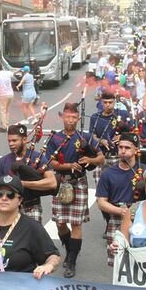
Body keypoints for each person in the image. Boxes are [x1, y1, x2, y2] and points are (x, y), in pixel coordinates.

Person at [47, 103, 105, 278]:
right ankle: (70, 250)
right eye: (67, 116)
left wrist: (90, 159)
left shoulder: (85, 137)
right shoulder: (55, 138)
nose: (70, 120)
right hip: (61, 181)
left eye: (74, 117)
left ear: (78, 118)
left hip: (79, 182)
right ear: (62, 117)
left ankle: (71, 261)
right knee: (60, 223)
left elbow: (101, 158)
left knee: (76, 224)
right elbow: (50, 162)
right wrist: (66, 165)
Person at [97, 132, 146, 269]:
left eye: (128, 148)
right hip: (118, 217)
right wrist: (120, 211)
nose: (123, 151)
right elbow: (101, 202)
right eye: (121, 147)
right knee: (118, 263)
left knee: (141, 261)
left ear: (136, 150)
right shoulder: (108, 173)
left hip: (142, 218)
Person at [0, 123, 57, 223]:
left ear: (24, 140)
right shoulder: (3, 161)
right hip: (9, 209)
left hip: (31, 207)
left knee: (32, 238)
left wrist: (23, 184)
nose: (11, 144)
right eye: (9, 141)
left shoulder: (37, 158)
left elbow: (52, 183)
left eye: (14, 140)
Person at [89, 90, 129, 181]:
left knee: (118, 186)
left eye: (110, 102)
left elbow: (132, 133)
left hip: (117, 156)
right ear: (101, 103)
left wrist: (122, 137)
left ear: (114, 102)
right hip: (101, 157)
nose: (108, 105)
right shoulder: (95, 117)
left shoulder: (122, 114)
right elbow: (92, 137)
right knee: (100, 187)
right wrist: (100, 141)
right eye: (105, 102)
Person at [0, 64, 14, 132]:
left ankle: (4, 127)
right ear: (2, 67)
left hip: (3, 95)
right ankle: (6, 124)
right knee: (7, 110)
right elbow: (13, 73)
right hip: (11, 94)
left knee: (2, 110)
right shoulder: (7, 73)